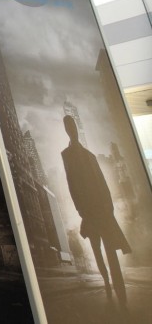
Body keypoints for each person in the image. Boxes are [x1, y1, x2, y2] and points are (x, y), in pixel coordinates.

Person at [61, 114, 131, 305]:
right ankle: (107, 281)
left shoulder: (90, 156)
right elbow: (71, 184)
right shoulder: (66, 155)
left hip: (102, 211)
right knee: (97, 250)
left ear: (76, 128)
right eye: (68, 127)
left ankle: (120, 292)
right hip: (89, 213)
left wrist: (108, 209)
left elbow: (102, 182)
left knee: (110, 252)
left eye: (73, 126)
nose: (72, 129)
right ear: (66, 130)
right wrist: (82, 212)